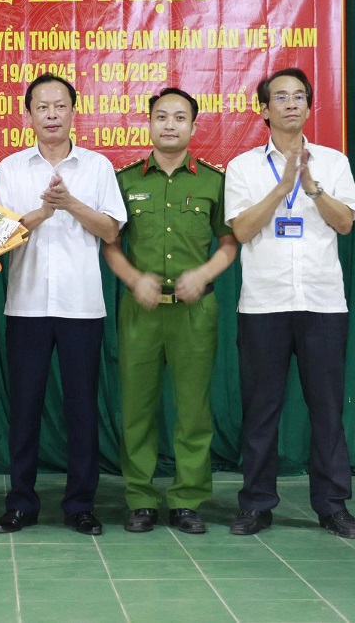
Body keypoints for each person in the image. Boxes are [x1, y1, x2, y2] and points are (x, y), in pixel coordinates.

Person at [224, 67, 355, 539]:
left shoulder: (333, 161)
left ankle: (332, 505)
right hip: (263, 305)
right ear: (263, 110)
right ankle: (257, 504)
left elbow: (345, 223)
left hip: (323, 303)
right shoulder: (243, 167)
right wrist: (282, 187)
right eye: (279, 97)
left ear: (309, 106)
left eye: (299, 96)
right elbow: (241, 230)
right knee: (261, 409)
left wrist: (311, 187)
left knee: (326, 409)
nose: (290, 104)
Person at [0, 73, 126, 536]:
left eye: (59, 106)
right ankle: (21, 503)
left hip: (81, 307)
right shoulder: (10, 169)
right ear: (27, 115)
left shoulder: (97, 167)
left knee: (82, 409)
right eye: (42, 107)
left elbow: (111, 231)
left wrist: (71, 204)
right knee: (25, 409)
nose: (51, 114)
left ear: (74, 112)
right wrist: (43, 213)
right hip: (25, 306)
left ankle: (80, 505)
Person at [102, 88, 236, 534]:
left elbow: (230, 241)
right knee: (137, 408)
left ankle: (187, 499)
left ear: (195, 127)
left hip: (195, 311)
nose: (170, 125)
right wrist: (131, 278)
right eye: (162, 117)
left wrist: (205, 273)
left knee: (193, 410)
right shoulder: (126, 181)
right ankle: (140, 497)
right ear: (150, 123)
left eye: (180, 118)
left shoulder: (213, 182)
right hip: (140, 310)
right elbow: (111, 245)